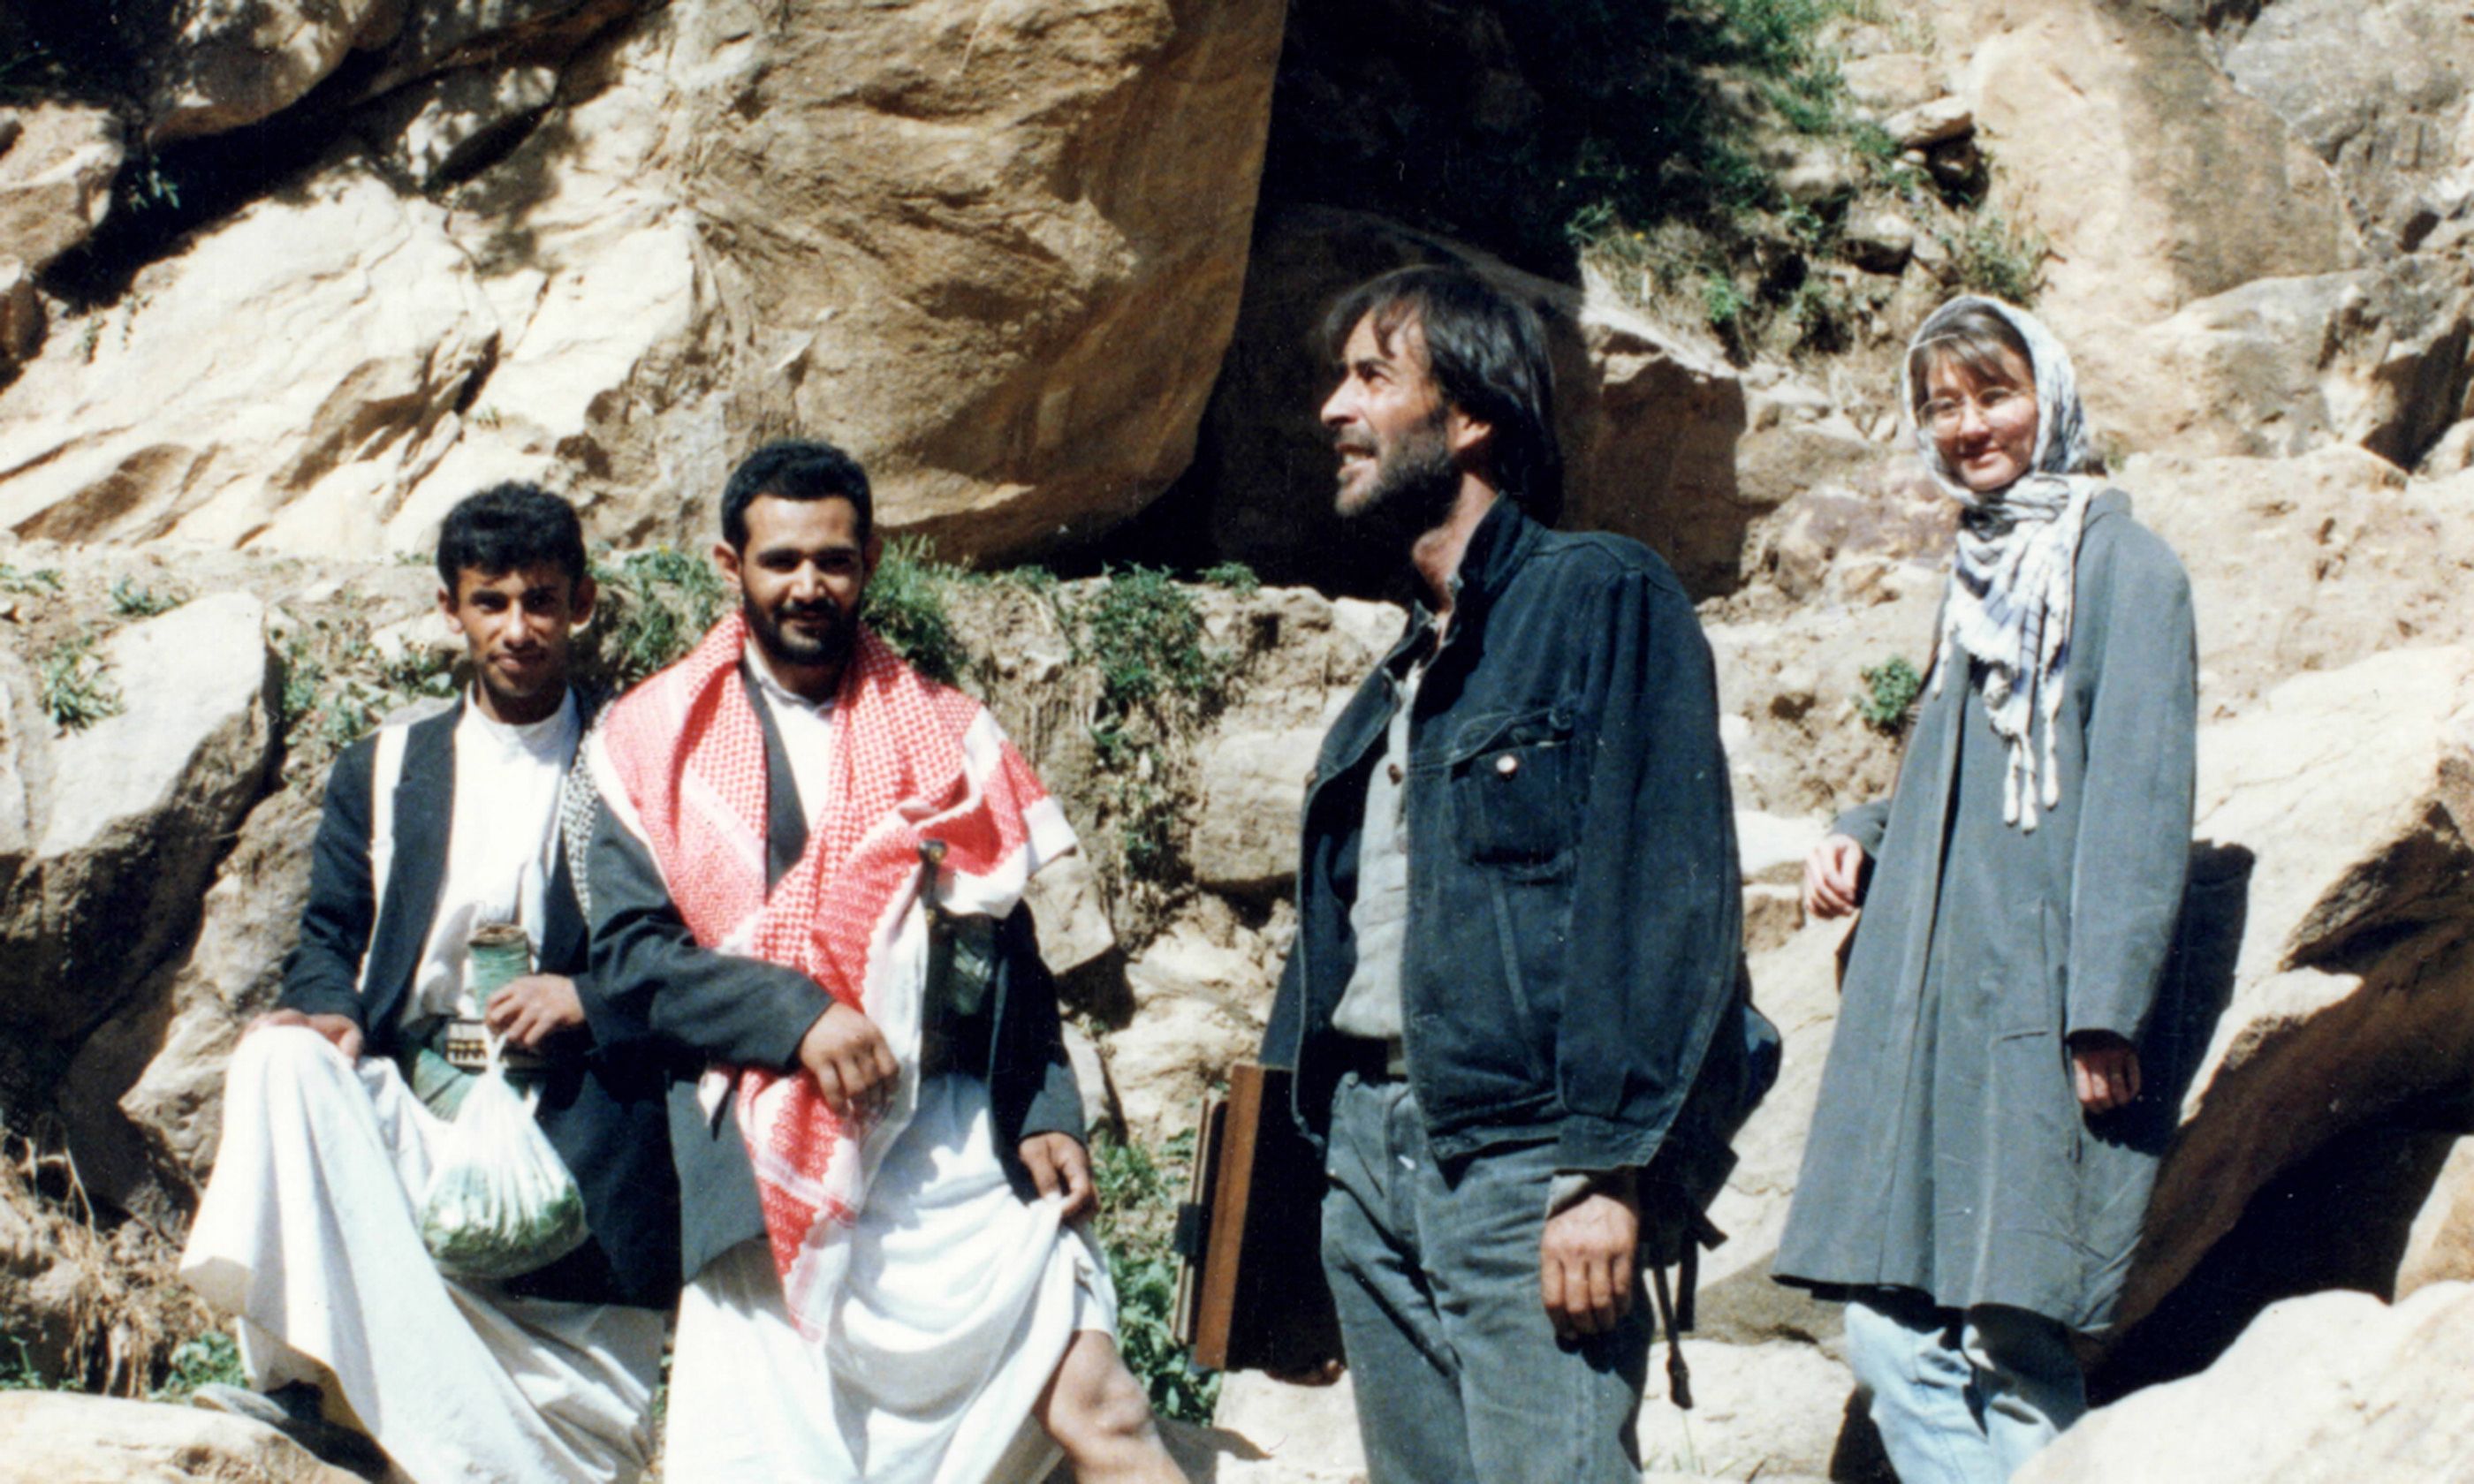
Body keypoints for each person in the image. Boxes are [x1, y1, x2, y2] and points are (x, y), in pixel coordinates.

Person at [581, 439, 1184, 1483]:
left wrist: (1044, 1107)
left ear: (870, 563)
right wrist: (798, 1017)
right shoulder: (650, 742)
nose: (808, 585)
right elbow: (633, 961)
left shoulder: (944, 728)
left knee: (1109, 1415)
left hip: (954, 1148)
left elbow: (1006, 939)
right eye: (781, 560)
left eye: (833, 559)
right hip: (771, 1159)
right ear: (731, 566)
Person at [1259, 265, 1759, 1483]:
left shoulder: (1602, 596)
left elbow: (1664, 895)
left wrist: (1603, 1169)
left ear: (1472, 415)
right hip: (1368, 1162)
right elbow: (1333, 951)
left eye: (1372, 378)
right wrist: (1295, 1208)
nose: (1334, 409)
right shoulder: (1392, 681)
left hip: (1525, 1169)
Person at [1772, 296, 2197, 1481]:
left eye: (1994, 395)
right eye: (1942, 407)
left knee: (2015, 1334)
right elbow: (1949, 771)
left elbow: (2140, 797)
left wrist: (2104, 1009)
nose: (1969, 428)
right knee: (1884, 1330)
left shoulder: (2124, 566)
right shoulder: (1983, 571)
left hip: (2041, 1011)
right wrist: (1861, 834)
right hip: (1935, 1018)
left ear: (2048, 399)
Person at [180, 483, 681, 1483]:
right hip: (420, 1109)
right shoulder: (384, 767)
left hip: (572, 1122)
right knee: (281, 1059)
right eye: (491, 602)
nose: (518, 629)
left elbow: (696, 948)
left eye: (541, 601)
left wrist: (587, 1000)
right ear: (451, 608)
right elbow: (329, 938)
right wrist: (331, 1013)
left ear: (581, 603)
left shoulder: (639, 764)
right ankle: (308, 1387)